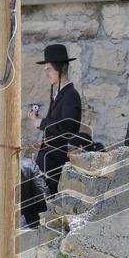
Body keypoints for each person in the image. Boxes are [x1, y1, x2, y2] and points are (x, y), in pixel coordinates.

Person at [30, 44, 81, 195]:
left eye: (49, 69)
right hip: (50, 160)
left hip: (57, 161)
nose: (46, 74)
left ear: (61, 68)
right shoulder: (59, 92)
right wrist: (41, 120)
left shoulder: (70, 94)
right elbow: (57, 123)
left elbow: (68, 127)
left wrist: (42, 123)